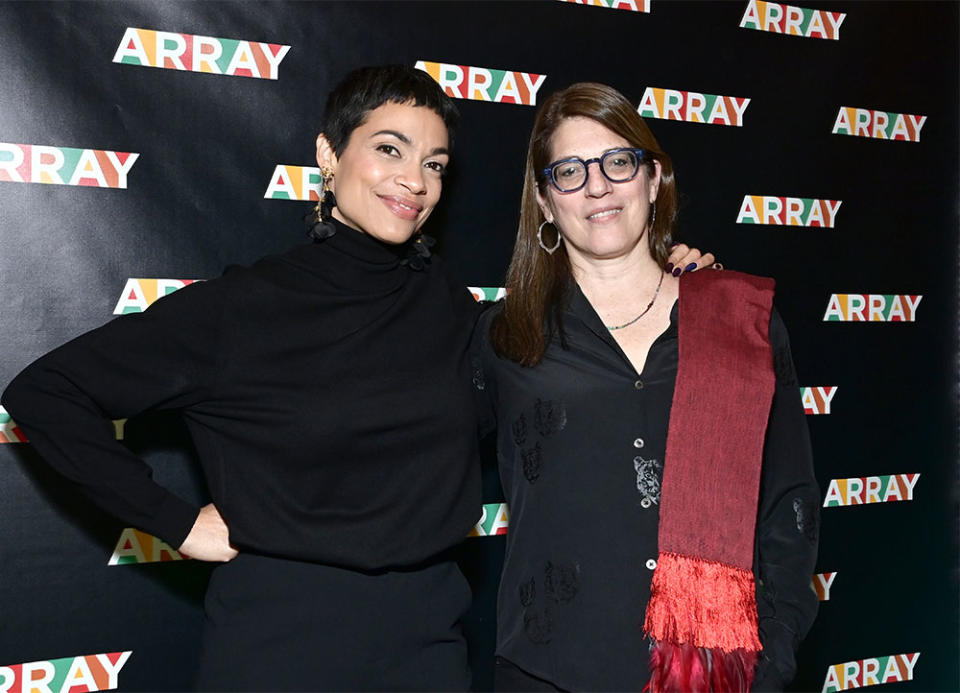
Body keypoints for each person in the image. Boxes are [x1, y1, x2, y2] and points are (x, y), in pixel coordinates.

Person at [2, 66, 712, 690]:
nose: (415, 179)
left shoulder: (446, 304)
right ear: (327, 154)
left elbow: (552, 381)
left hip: (428, 646)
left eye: (435, 163)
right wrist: (175, 521)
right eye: (389, 149)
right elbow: (47, 392)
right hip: (278, 646)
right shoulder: (243, 308)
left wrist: (660, 284)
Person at [473, 82, 819, 692]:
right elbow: (403, 448)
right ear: (544, 200)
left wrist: (773, 660)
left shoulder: (739, 324)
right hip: (548, 675)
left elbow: (787, 507)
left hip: (721, 679)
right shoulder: (504, 338)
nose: (598, 186)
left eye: (617, 162)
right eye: (570, 172)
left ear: (652, 178)